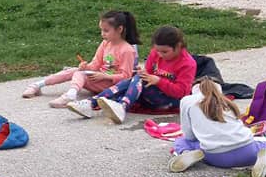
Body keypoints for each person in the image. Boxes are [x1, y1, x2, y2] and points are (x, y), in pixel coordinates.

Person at [169, 76, 266, 177]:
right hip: (247, 152)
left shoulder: (187, 101)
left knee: (181, 141)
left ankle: (186, 153)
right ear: (219, 89)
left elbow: (189, 136)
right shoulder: (227, 103)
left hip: (215, 157)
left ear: (194, 89)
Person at [67, 25, 196, 124]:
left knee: (138, 79)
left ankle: (113, 105)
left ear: (179, 46)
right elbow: (148, 74)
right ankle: (95, 104)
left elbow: (182, 92)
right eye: (157, 51)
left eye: (165, 52)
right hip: (152, 92)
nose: (160, 55)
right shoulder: (155, 53)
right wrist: (143, 73)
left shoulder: (187, 64)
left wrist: (158, 81)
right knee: (137, 78)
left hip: (170, 101)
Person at [22, 10, 140, 108]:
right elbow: (96, 64)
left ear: (119, 29)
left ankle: (70, 95)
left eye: (106, 30)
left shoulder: (127, 50)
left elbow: (126, 77)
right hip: (99, 78)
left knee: (79, 74)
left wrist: (105, 76)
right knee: (75, 71)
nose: (102, 34)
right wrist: (86, 67)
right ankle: (37, 85)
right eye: (101, 30)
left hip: (111, 86)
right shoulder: (105, 43)